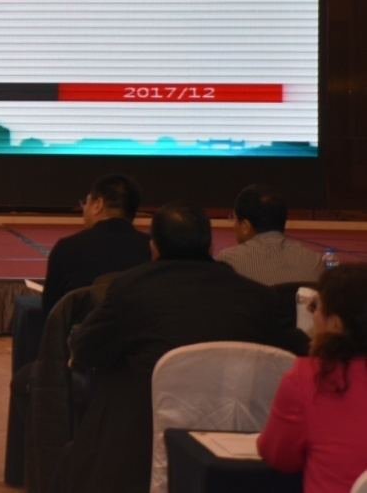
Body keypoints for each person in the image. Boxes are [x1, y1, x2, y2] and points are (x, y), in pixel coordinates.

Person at [59, 201, 309, 493]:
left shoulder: (131, 288)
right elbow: (300, 355)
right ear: (210, 246)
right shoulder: (258, 297)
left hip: (139, 453)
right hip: (243, 447)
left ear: (154, 247)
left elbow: (85, 350)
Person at [258, 263, 367, 493]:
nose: (312, 314)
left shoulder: (309, 378)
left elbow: (278, 456)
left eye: (316, 307)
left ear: (335, 324)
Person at [41, 173, 151, 314]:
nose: (84, 208)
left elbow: (51, 311)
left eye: (86, 202)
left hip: (81, 328)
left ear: (98, 205)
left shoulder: (67, 248)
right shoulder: (154, 247)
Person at [216, 184, 323, 285]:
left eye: (233, 218)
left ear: (245, 226)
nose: (233, 224)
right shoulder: (314, 260)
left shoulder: (228, 261)